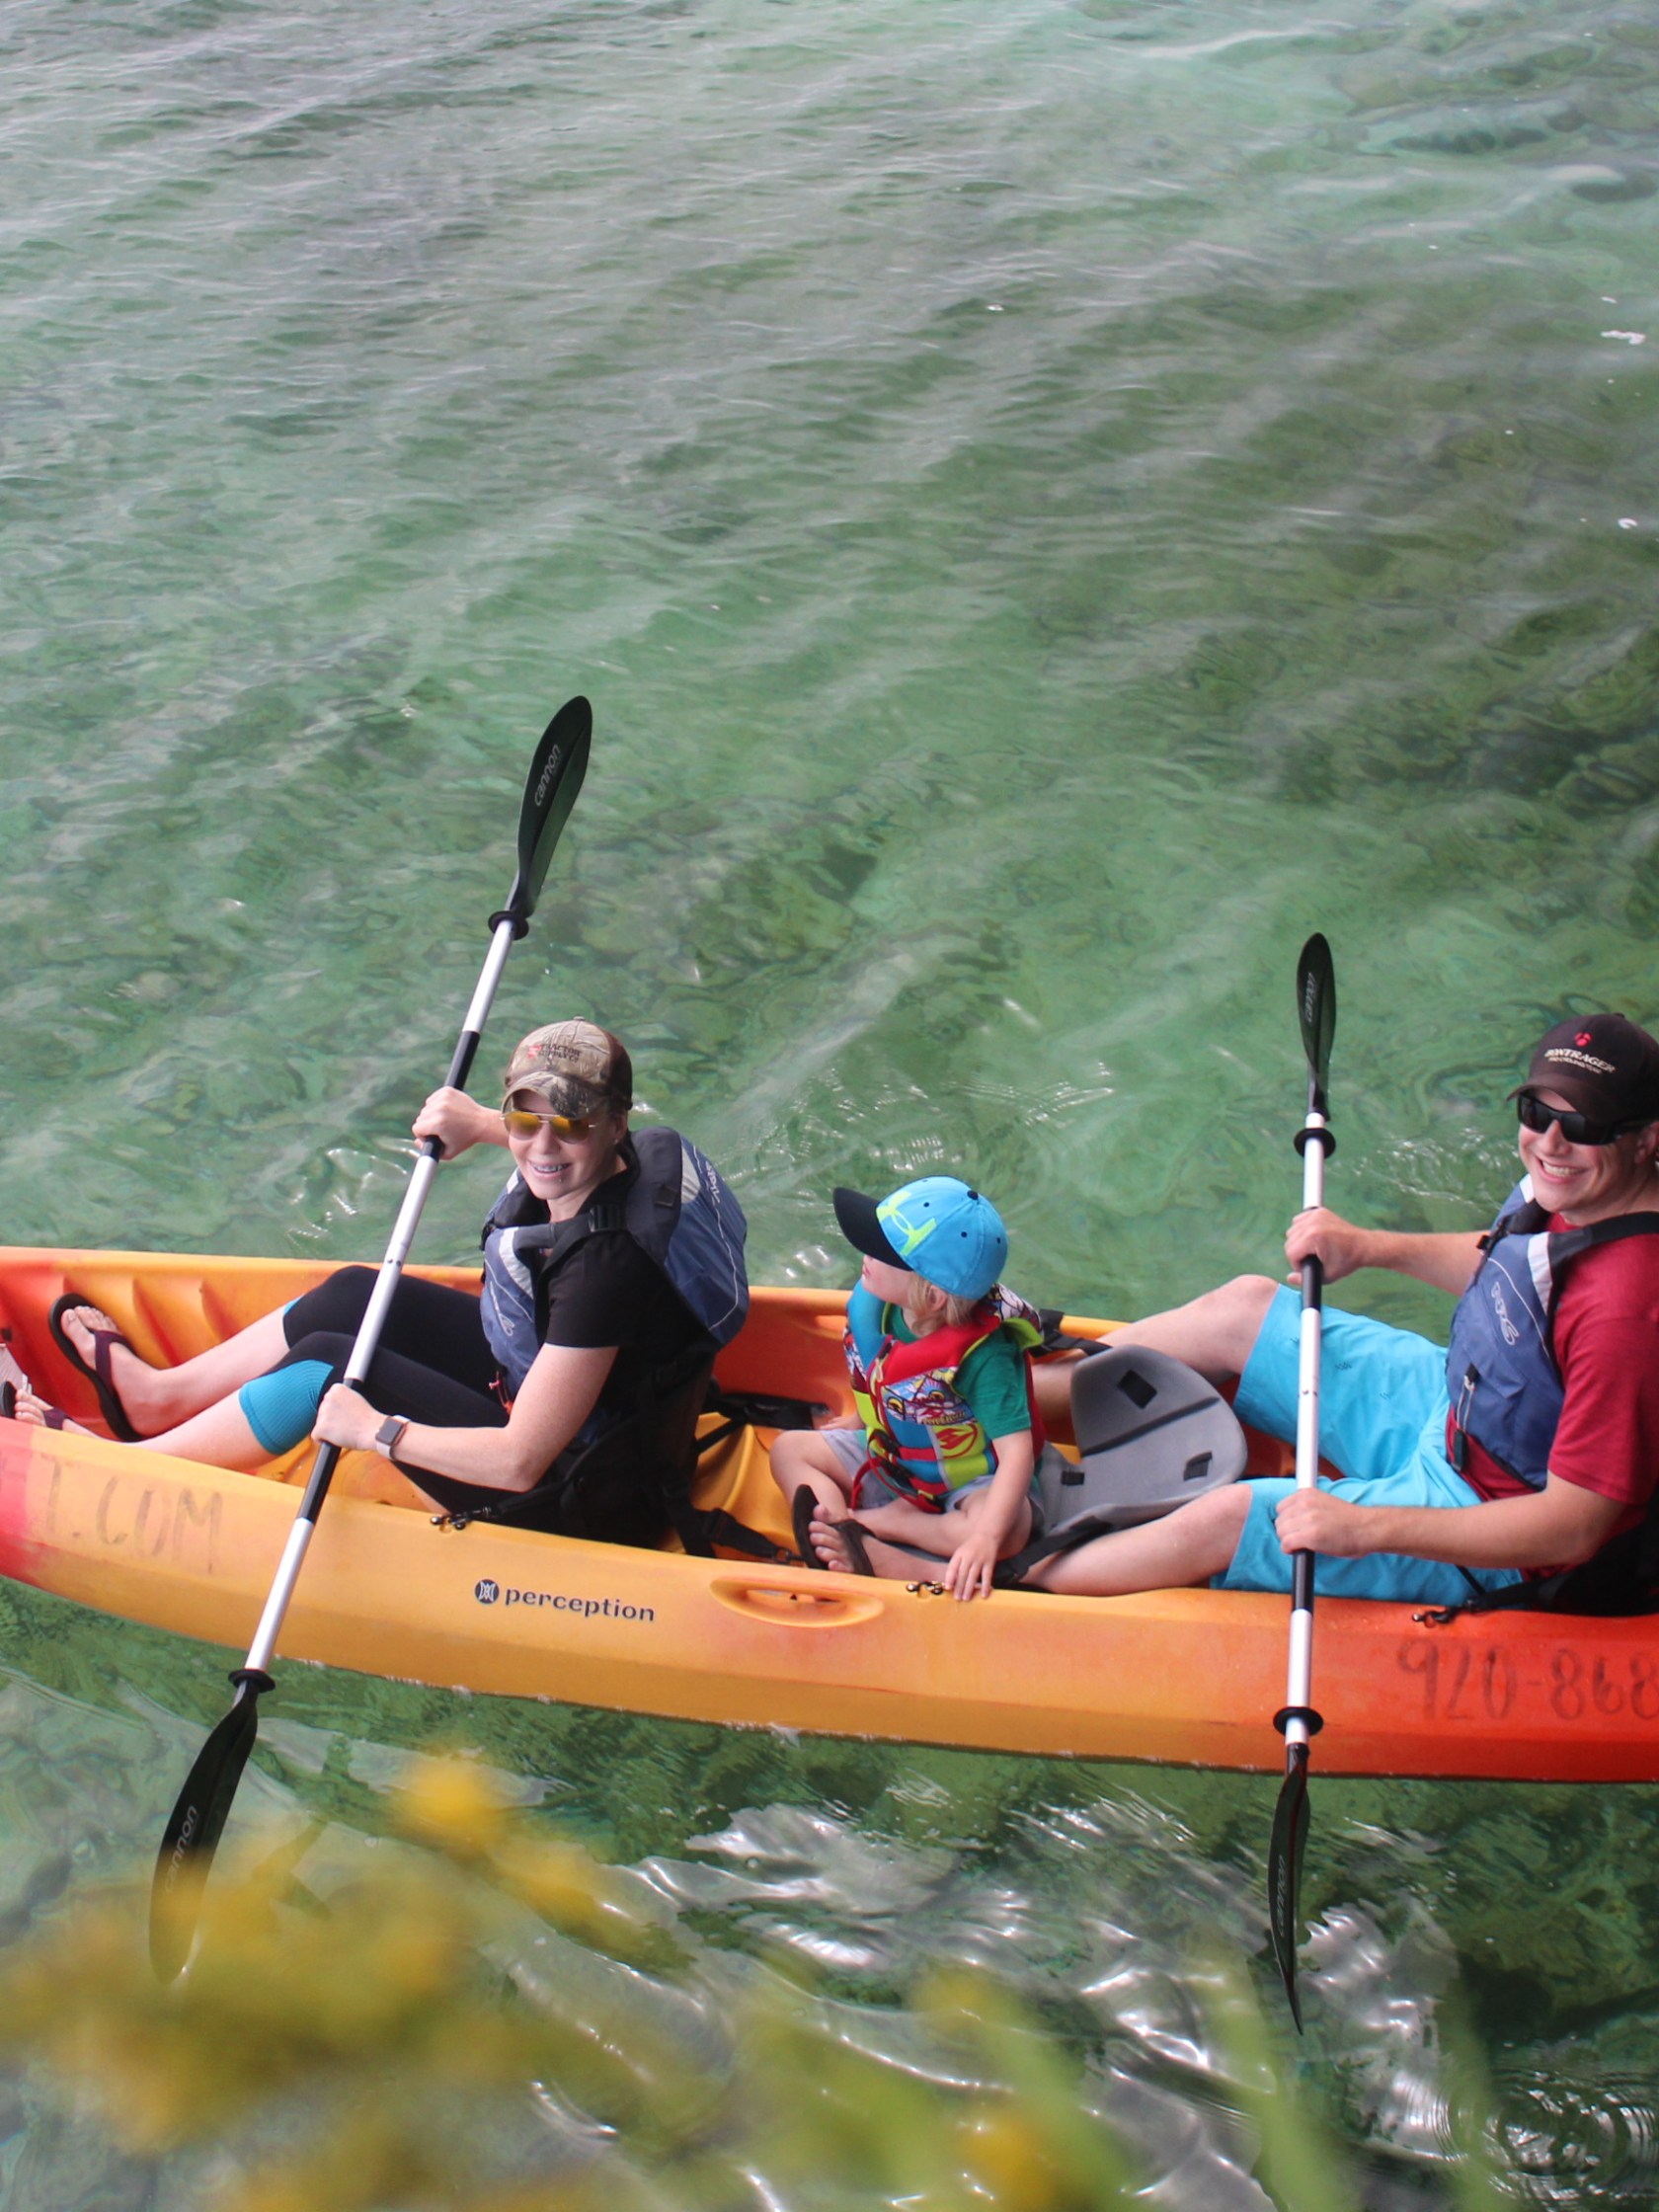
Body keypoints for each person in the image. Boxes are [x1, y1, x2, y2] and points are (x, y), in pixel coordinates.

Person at [19, 1022, 750, 1545]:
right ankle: (158, 1399)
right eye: (523, 1119)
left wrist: (378, 1432)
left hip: (576, 1489)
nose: (542, 1146)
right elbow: (551, 1141)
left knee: (332, 1372)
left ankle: (124, 1470)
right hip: (559, 1401)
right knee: (358, 1296)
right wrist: (481, 1126)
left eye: (571, 1125)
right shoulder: (638, 1156)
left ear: (616, 1124)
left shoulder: (603, 1274)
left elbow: (521, 1460)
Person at [1022, 1012, 1659, 1610]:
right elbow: (1513, 1268)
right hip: (1453, 1405)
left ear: (1645, 1140)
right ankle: (1007, 1402)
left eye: (1583, 1127)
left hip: (1491, 1511)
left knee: (1231, 1519)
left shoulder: (1628, 1317)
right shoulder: (1580, 1187)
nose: (1550, 1141)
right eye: (1535, 1111)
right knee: (1242, 1308)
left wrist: (1365, 1528)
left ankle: (1012, 1577)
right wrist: (1372, 1247)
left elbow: (1574, 1527)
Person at [774, 1175, 1058, 1600]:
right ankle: (838, 1526)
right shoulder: (883, 1306)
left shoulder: (984, 1358)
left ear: (933, 1295)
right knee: (787, 1450)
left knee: (1009, 1529)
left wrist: (985, 1540)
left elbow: (1016, 1455)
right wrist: (854, 1421)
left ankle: (893, 1524)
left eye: (884, 1252)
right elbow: (875, 1376)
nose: (866, 1255)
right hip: (895, 1462)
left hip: (968, 1482)